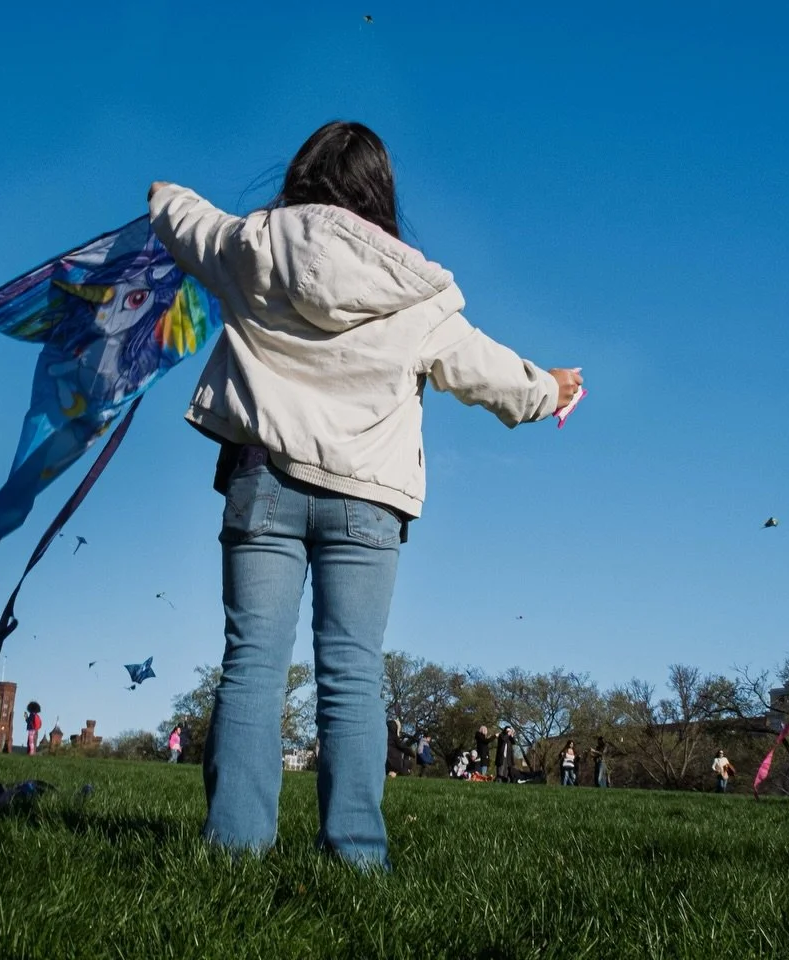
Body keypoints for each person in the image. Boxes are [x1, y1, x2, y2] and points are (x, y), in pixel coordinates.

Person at [149, 121, 579, 869]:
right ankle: (354, 859)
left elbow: (178, 214)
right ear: (381, 190)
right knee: (352, 672)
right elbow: (489, 374)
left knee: (252, 661)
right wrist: (549, 389)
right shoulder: (415, 290)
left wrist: (160, 196)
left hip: (263, 485)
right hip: (367, 502)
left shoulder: (249, 246)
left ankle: (234, 856)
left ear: (303, 173)